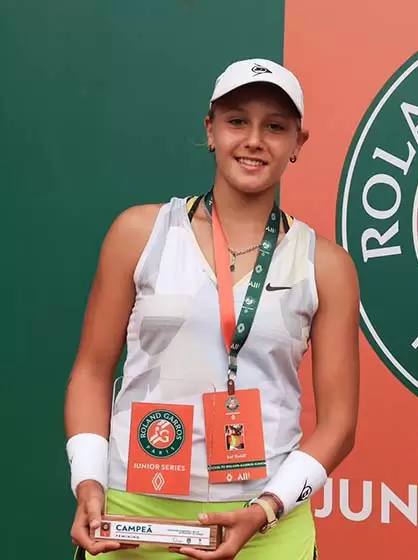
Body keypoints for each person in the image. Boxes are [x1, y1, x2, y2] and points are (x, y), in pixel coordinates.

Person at [63, 58, 360, 559]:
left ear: (297, 144)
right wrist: (89, 482)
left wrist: (268, 507)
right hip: (131, 519)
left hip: (265, 526)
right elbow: (92, 373)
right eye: (237, 121)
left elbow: (339, 425)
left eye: (275, 127)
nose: (254, 140)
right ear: (210, 130)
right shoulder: (139, 233)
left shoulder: (326, 265)